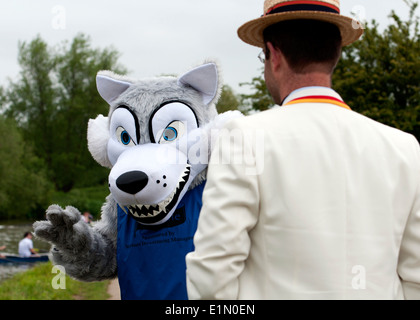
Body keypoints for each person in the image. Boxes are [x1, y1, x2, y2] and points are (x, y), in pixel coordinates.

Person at [186, 0, 420, 300]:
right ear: (336, 53)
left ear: (274, 54)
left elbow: (212, 274)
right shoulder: (404, 148)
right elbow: (415, 278)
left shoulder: (243, 137)